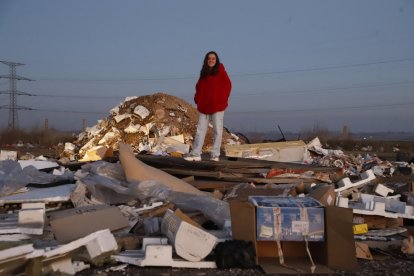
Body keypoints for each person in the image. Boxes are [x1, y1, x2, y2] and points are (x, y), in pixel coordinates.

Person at [184, 51, 232, 162]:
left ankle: (215, 155)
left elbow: (228, 86)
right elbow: (198, 87)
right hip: (204, 107)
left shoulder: (221, 71)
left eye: (213, 58)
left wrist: (220, 100)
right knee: (200, 130)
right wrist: (198, 99)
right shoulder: (204, 73)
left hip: (217, 106)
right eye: (209, 58)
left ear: (216, 60)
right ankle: (196, 154)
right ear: (206, 60)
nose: (211, 60)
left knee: (217, 131)